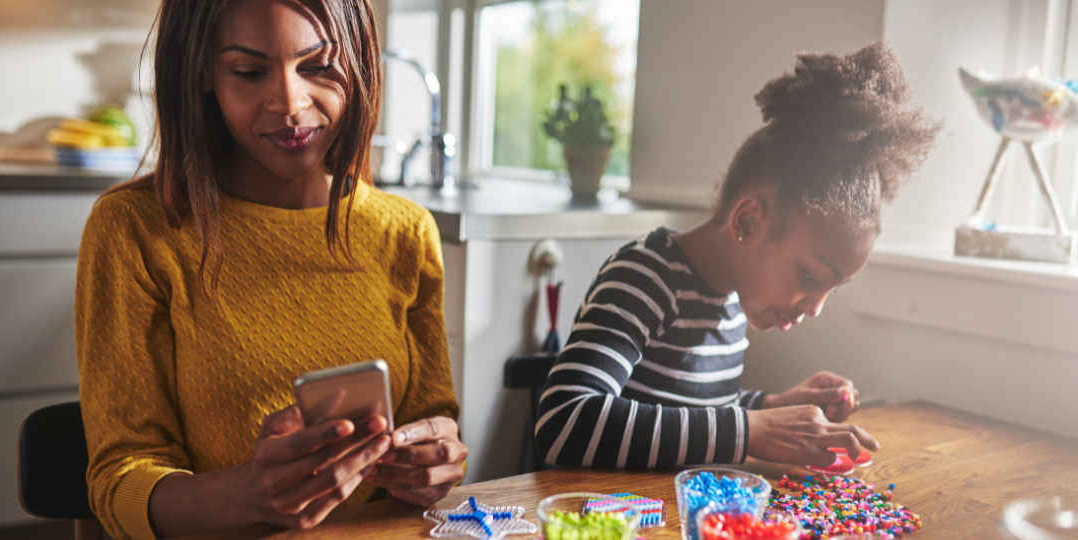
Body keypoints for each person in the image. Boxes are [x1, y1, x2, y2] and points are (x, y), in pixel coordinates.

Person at [75, 1, 466, 539]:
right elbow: (120, 482)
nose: (289, 102)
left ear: (358, 65)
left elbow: (434, 421)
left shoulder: (407, 232)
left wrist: (433, 462)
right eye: (248, 71)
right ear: (202, 73)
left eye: (318, 65)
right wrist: (246, 496)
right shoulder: (133, 230)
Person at [535, 42, 939, 470]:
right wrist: (754, 430)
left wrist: (771, 406)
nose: (816, 307)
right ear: (747, 223)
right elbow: (563, 423)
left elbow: (695, 409)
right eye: (809, 275)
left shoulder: (731, 299)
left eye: (831, 289)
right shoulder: (645, 278)